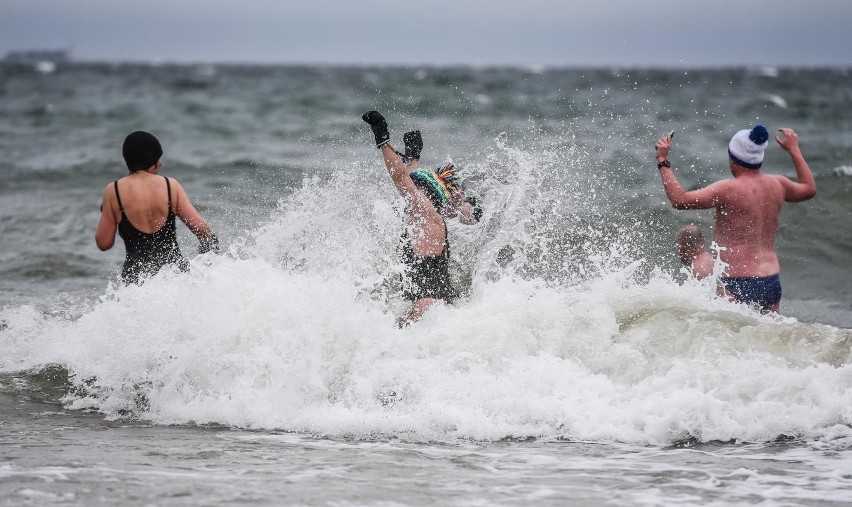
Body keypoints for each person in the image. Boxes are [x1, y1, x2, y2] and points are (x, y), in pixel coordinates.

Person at [655, 125, 816, 312]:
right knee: (766, 337)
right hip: (771, 280)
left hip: (737, 280)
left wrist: (662, 160)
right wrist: (794, 149)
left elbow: (680, 200)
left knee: (731, 336)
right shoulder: (778, 184)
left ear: (734, 159)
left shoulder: (728, 189)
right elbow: (809, 189)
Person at [362, 111, 475, 322]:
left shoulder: (427, 214)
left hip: (429, 308)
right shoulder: (427, 214)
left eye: (415, 189)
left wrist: (383, 139)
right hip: (434, 306)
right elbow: (409, 176)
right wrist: (413, 156)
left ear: (426, 195)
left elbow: (400, 177)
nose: (409, 192)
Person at [95, 131, 219, 284]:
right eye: (158, 158)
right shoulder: (170, 185)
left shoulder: (113, 191)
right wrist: (210, 255)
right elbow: (201, 229)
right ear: (152, 160)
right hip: (174, 274)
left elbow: (104, 243)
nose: (160, 163)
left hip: (136, 280)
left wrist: (109, 211)